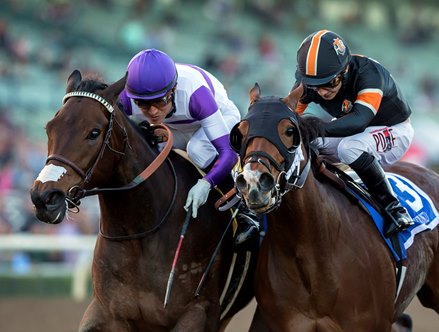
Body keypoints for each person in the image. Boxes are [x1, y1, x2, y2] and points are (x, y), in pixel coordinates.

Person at [119, 48, 259, 245]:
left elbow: (228, 154)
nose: (152, 111)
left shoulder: (195, 94)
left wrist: (206, 183)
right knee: (146, 148)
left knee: (198, 150)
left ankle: (244, 209)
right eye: (142, 104)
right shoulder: (127, 98)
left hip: (219, 118)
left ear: (173, 90)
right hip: (175, 128)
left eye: (159, 101)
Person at [293, 30, 414, 236]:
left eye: (329, 82)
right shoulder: (309, 80)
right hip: (352, 127)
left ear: (345, 69)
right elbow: (290, 115)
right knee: (308, 144)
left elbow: (359, 121)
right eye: (315, 86)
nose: (321, 92)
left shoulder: (369, 74)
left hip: (393, 129)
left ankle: (393, 207)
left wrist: (313, 128)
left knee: (349, 149)